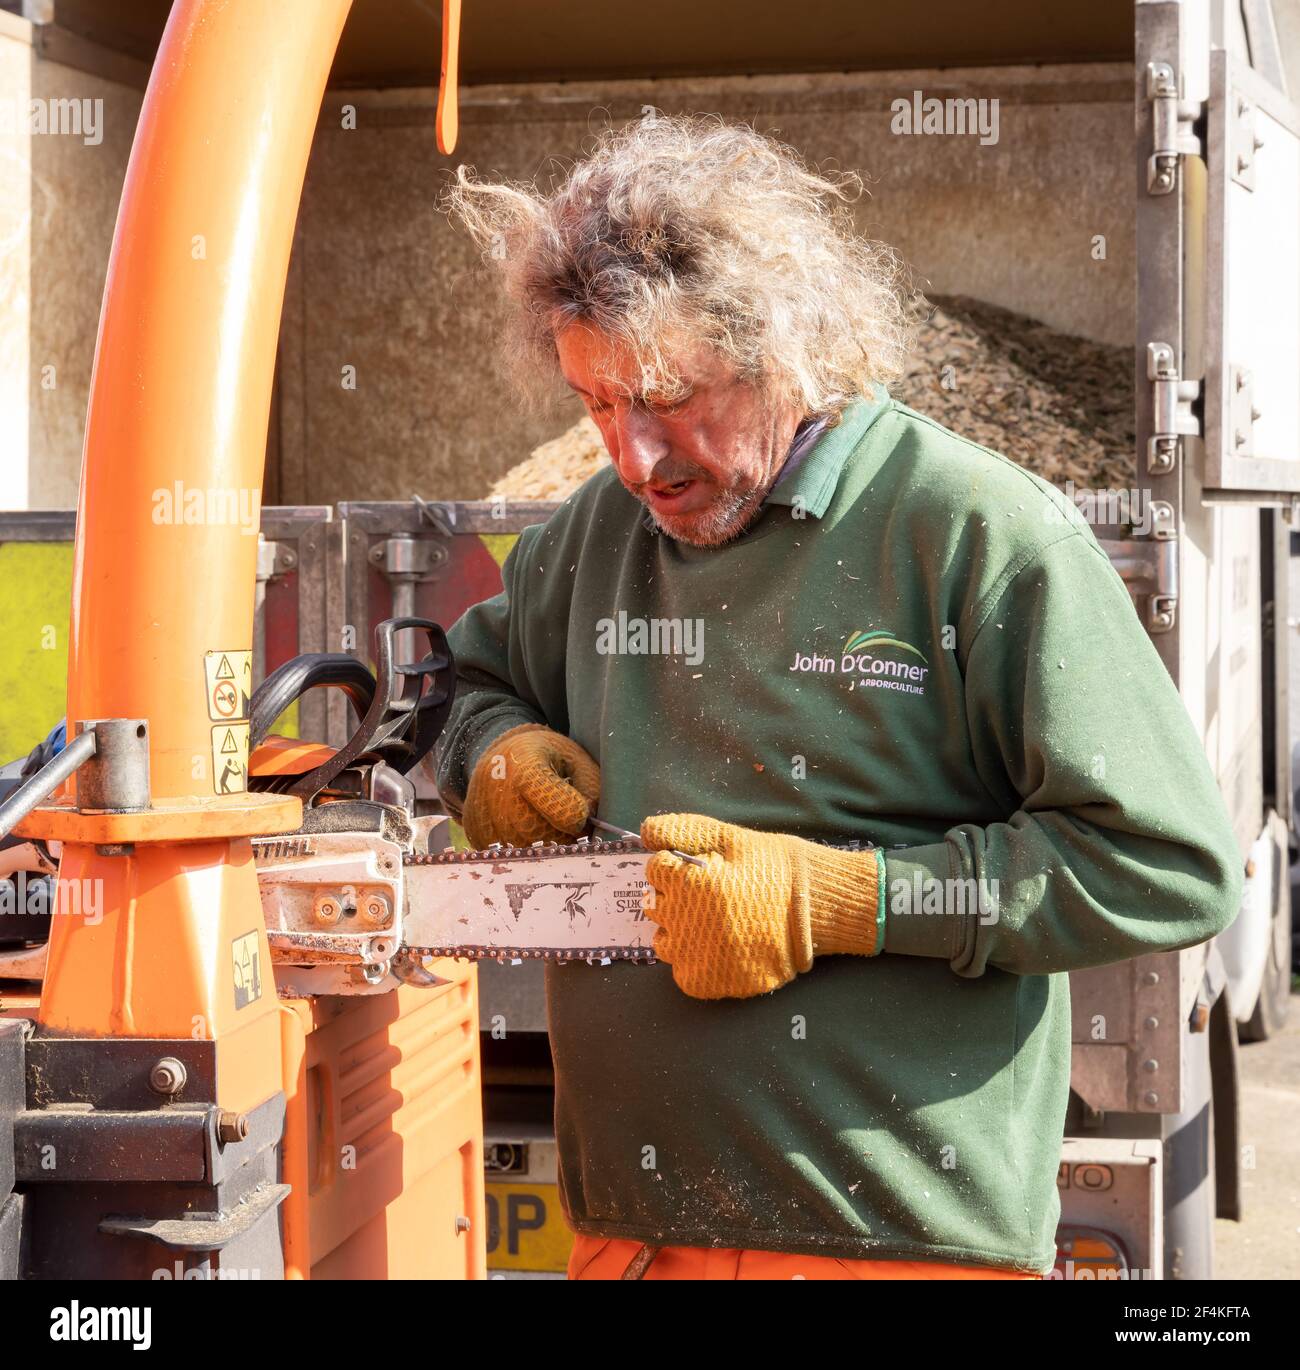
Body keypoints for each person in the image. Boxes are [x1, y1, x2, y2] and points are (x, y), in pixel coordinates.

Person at [435, 115, 1242, 1280]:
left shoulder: (975, 534)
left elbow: (1166, 864)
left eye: (670, 396)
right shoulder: (591, 543)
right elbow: (461, 683)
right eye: (597, 403)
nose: (633, 455)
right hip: (635, 1239)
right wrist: (490, 750)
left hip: (902, 1246)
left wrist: (836, 901)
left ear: (782, 345)